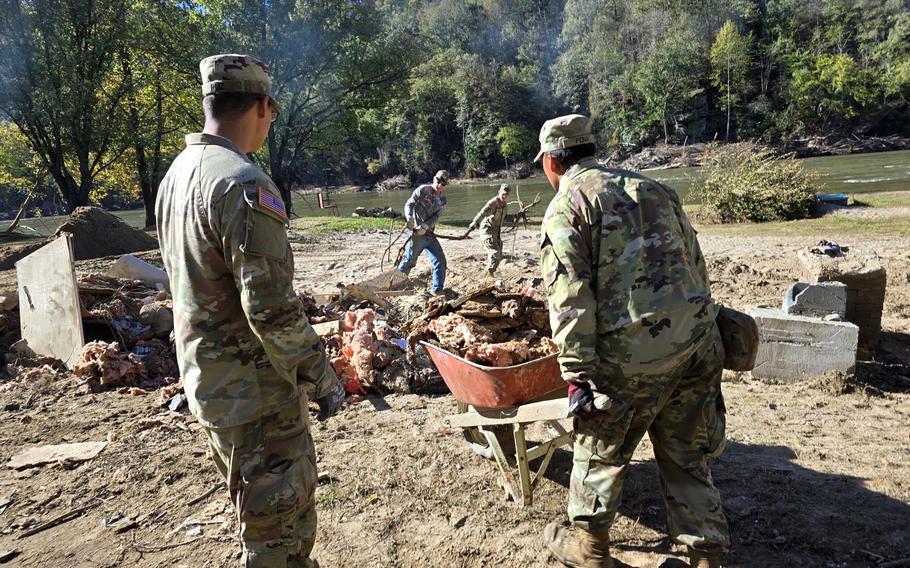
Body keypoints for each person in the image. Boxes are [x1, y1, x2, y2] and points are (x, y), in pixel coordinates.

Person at [156, 54, 345, 568]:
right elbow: (271, 309)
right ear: (262, 106)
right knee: (278, 542)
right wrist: (319, 375)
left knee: (257, 520)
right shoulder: (243, 183)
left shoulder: (177, 174)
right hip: (256, 396)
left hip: (211, 385)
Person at [536, 114, 729, 568]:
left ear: (552, 161)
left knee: (599, 452)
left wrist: (577, 377)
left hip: (631, 362)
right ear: (589, 150)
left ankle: (591, 549)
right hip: (696, 347)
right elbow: (696, 268)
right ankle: (706, 559)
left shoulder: (568, 206)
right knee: (687, 456)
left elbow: (570, 299)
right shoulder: (655, 188)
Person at [398, 169, 449, 295]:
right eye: (438, 182)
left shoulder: (443, 200)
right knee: (409, 261)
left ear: (445, 185)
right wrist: (409, 219)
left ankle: (437, 290)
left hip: (429, 235)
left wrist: (425, 227)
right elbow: (409, 204)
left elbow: (436, 217)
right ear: (434, 179)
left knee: (440, 261)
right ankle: (395, 287)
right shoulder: (422, 190)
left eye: (442, 184)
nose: (439, 186)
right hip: (416, 234)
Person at [465, 183, 510, 276]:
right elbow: (481, 214)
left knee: (499, 251)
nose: (504, 196)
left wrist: (517, 215)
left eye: (506, 194)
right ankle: (489, 274)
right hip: (487, 231)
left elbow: (505, 218)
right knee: (495, 252)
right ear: (499, 192)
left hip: (495, 232)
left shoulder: (505, 206)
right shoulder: (493, 203)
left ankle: (489, 272)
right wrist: (473, 226)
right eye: (503, 194)